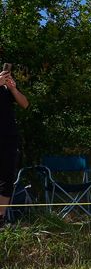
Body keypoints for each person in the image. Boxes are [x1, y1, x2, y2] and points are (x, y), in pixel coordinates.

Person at [0, 64, 29, 228]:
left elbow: (25, 104)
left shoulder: (5, 86)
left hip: (8, 137)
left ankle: (1, 218)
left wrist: (13, 89)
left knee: (7, 178)